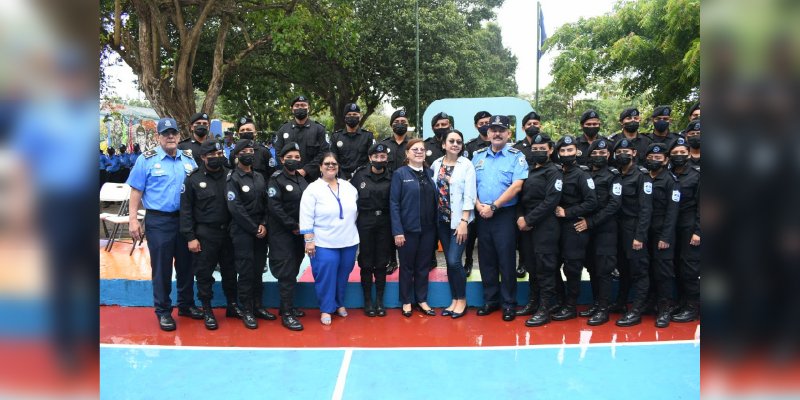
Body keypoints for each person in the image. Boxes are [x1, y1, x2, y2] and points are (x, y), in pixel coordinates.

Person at [127, 117, 201, 331]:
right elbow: (136, 191)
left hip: (185, 221)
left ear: (179, 136)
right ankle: (164, 311)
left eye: (173, 133)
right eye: (165, 133)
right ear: (158, 137)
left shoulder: (189, 160)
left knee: (187, 265)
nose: (170, 136)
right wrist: (133, 219)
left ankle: (186, 305)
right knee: (162, 268)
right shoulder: (146, 159)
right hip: (159, 220)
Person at [472, 115, 528, 321]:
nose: (496, 133)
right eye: (493, 130)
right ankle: (490, 300)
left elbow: (517, 186)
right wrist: (479, 206)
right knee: (486, 260)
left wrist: (494, 206)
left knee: (505, 260)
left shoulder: (516, 156)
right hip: (482, 213)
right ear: (487, 134)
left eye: (501, 130)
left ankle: (508, 304)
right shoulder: (477, 156)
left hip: (504, 214)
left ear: (508, 133)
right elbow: (471, 185)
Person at [179, 139, 238, 330]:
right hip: (205, 235)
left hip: (229, 233)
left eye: (220, 155)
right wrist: (190, 237)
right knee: (204, 274)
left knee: (230, 272)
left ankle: (232, 305)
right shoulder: (193, 179)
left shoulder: (231, 176)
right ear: (203, 157)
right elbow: (186, 211)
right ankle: (207, 310)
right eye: (212, 155)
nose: (216, 158)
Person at [300, 153, 360, 326]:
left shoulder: (348, 187)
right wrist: (309, 240)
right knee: (326, 276)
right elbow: (306, 215)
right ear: (320, 167)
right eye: (327, 163)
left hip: (348, 240)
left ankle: (339, 303)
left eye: (334, 163)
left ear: (338, 166)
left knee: (343, 275)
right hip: (323, 242)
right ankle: (326, 308)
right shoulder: (313, 189)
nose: (331, 166)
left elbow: (356, 211)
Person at [515, 133, 563, 326]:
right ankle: (533, 303)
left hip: (545, 226)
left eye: (542, 149)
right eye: (535, 149)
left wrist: (528, 219)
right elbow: (519, 197)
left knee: (546, 269)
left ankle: (545, 309)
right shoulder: (528, 171)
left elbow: (552, 201)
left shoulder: (554, 172)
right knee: (532, 267)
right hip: (526, 227)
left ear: (550, 150)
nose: (538, 152)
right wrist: (520, 217)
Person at [226, 139, 274, 329]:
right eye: (244, 151)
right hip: (242, 231)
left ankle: (257, 306)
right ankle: (246, 310)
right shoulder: (232, 178)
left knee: (258, 270)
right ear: (237, 155)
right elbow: (235, 207)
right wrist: (254, 228)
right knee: (245, 272)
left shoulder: (260, 177)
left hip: (260, 231)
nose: (249, 154)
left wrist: (263, 223)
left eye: (251, 150)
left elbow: (266, 203)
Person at [551, 135, 598, 322]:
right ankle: (561, 301)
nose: (566, 154)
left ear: (577, 151)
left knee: (573, 268)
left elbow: (592, 202)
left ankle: (571, 306)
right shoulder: (557, 172)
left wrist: (568, 212)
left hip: (574, 227)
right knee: (554, 265)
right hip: (557, 227)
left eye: (569, 150)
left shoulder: (582, 174)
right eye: (562, 151)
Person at [390, 138, 438, 317]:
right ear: (407, 153)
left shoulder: (430, 173)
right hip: (407, 231)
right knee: (407, 267)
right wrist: (397, 231)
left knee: (423, 266)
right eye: (415, 149)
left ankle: (422, 300)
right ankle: (406, 301)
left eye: (422, 149)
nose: (419, 152)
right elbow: (394, 204)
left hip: (428, 229)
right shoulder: (400, 174)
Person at [431, 130, 476, 318]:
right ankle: (454, 300)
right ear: (443, 144)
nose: (455, 144)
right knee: (450, 264)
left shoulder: (467, 165)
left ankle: (462, 300)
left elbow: (470, 194)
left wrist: (464, 221)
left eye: (459, 141)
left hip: (460, 221)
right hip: (442, 221)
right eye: (451, 141)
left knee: (453, 260)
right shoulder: (436, 164)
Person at [578, 138, 622, 326]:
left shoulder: (614, 175)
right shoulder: (585, 174)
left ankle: (603, 309)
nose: (598, 157)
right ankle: (596, 304)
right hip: (587, 230)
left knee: (604, 270)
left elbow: (614, 204)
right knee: (592, 268)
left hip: (605, 229)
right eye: (594, 154)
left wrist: (591, 222)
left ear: (608, 155)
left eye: (602, 154)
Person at [611, 138, 654, 327]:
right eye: (619, 151)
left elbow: (646, 209)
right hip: (619, 230)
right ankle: (621, 302)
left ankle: (637, 310)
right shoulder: (617, 175)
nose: (623, 154)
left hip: (635, 229)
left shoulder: (642, 176)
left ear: (634, 154)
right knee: (623, 269)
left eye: (626, 151)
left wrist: (640, 236)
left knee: (639, 271)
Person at [266, 142, 308, 331]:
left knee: (294, 270)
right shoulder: (276, 179)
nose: (293, 160)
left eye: (297, 158)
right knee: (286, 273)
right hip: (283, 234)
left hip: (299, 234)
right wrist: (293, 226)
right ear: (282, 159)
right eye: (289, 157)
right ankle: (287, 314)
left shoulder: (301, 179)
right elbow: (275, 207)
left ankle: (286, 306)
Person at [351, 143, 393, 317]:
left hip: (385, 221)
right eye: (376, 157)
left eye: (382, 157)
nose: (379, 160)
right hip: (365, 221)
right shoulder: (359, 176)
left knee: (382, 263)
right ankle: (368, 301)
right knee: (366, 262)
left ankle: (380, 302)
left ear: (386, 159)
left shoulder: (393, 177)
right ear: (370, 158)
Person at [643, 142, 681, 328]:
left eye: (658, 158)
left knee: (663, 272)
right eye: (651, 157)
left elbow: (672, 212)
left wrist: (665, 237)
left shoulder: (670, 181)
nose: (654, 160)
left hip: (662, 234)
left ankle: (665, 308)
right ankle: (651, 303)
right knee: (649, 269)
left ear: (665, 160)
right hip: (646, 232)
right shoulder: (645, 178)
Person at [669, 138, 701, 323]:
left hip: (691, 229)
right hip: (673, 229)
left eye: (682, 153)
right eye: (675, 153)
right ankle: (682, 302)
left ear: (689, 154)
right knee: (677, 268)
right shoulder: (669, 174)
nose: (679, 156)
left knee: (690, 270)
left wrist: (699, 231)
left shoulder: (697, 176)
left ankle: (692, 307)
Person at [513, 110, 545, 278]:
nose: (533, 126)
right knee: (522, 233)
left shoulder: (546, 144)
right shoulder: (517, 148)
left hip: (542, 195)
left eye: (535, 124)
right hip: (523, 195)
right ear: (523, 127)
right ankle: (522, 262)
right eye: (529, 124)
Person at [380, 109, 411, 274]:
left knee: (408, 226)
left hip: (409, 192)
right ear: (391, 125)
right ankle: (392, 260)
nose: (400, 125)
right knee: (391, 227)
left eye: (403, 122)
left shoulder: (413, 145)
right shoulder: (384, 145)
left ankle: (407, 260)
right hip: (389, 191)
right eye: (397, 122)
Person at [274, 95, 330, 183]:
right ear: (292, 109)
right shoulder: (283, 129)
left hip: (313, 178)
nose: (300, 107)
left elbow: (324, 152)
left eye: (303, 105)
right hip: (288, 178)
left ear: (308, 108)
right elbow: (278, 153)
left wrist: (306, 170)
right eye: (297, 105)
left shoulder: (319, 129)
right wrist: (288, 170)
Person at [463, 111, 492, 277]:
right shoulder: (471, 146)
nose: (485, 125)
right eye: (481, 123)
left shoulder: (500, 142)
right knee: (470, 233)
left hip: (494, 199)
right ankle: (468, 261)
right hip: (475, 197)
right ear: (476, 126)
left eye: (488, 121)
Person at [330, 103, 373, 179]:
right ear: (345, 117)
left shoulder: (368, 136)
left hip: (362, 177)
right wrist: (341, 177)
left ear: (360, 116)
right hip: (341, 178)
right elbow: (333, 159)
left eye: (355, 114)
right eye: (349, 114)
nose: (352, 117)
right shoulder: (336, 137)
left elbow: (371, 159)